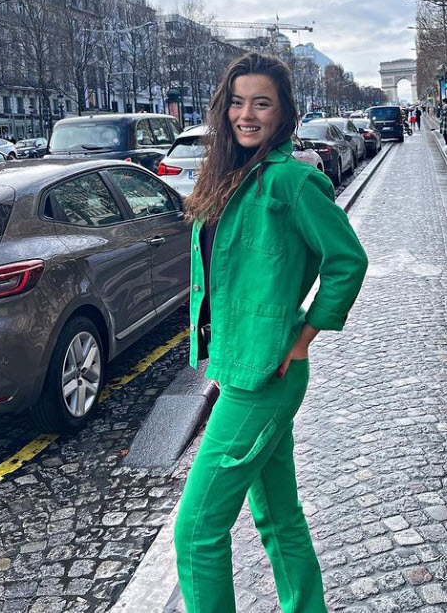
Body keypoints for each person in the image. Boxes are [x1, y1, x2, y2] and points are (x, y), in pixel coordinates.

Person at [174, 52, 368, 613]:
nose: (246, 114)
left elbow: (347, 261)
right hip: (238, 361)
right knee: (278, 515)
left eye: (261, 103)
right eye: (237, 102)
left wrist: (305, 335)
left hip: (264, 376)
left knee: (196, 531)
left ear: (283, 113)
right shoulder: (230, 176)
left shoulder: (291, 181)